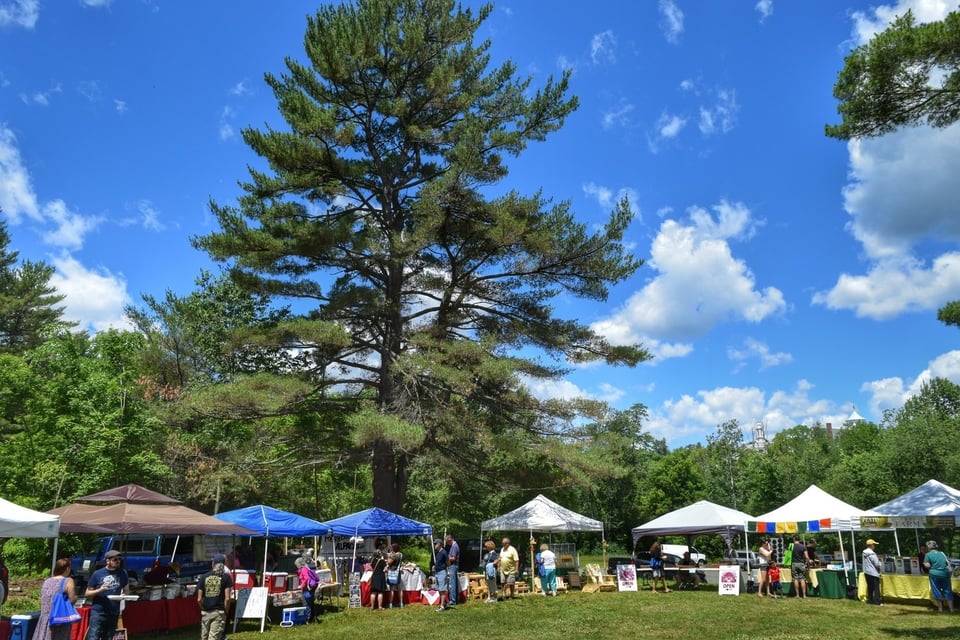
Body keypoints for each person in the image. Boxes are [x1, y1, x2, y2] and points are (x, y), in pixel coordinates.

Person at [84, 550, 129, 640]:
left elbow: (126, 590)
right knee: (93, 637)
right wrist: (100, 590)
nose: (118, 561)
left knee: (109, 637)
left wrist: (124, 596)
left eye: (119, 559)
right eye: (115, 559)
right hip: (99, 612)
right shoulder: (97, 574)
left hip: (113, 612)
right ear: (107, 561)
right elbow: (87, 594)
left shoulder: (123, 573)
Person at [32, 558, 77, 640]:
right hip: (60, 619)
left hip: (45, 619)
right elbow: (72, 599)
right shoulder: (68, 581)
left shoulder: (47, 581)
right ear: (67, 568)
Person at [197, 553, 233, 640]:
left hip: (206, 612)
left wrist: (203, 608)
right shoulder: (226, 577)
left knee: (204, 637)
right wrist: (225, 612)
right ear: (224, 565)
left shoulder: (203, 577)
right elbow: (227, 599)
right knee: (214, 637)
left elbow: (199, 599)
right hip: (219, 612)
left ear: (213, 563)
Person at [923, 539, 954, 613]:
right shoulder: (942, 553)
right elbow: (947, 563)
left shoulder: (928, 555)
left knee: (937, 590)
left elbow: (927, 565)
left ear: (928, 547)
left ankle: (940, 609)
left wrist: (925, 564)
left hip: (934, 575)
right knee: (948, 590)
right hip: (945, 574)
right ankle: (951, 609)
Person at [862, 538, 883, 606]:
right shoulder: (872, 554)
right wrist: (880, 564)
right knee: (876, 588)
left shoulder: (864, 553)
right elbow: (876, 564)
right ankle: (877, 602)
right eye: (874, 545)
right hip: (873, 573)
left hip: (866, 572)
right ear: (871, 545)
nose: (875, 546)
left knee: (870, 587)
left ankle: (870, 601)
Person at [433, 539, 450, 612]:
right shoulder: (438, 552)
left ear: (440, 544)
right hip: (437, 572)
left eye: (435, 544)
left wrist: (445, 569)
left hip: (442, 572)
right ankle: (444, 603)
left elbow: (448, 562)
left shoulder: (444, 552)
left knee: (442, 590)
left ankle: (442, 606)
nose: (434, 545)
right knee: (439, 589)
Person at [386, 542, 404, 609]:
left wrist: (389, 556)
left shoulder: (394, 555)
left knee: (392, 589)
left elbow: (389, 562)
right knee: (399, 588)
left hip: (392, 573)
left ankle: (390, 604)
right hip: (398, 572)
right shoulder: (400, 554)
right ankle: (401, 603)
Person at [445, 534, 460, 607]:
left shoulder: (454, 546)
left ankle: (453, 600)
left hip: (453, 566)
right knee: (454, 583)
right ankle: (456, 599)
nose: (447, 544)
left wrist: (446, 559)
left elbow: (453, 558)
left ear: (450, 540)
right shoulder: (454, 546)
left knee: (452, 583)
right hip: (454, 566)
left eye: (447, 542)